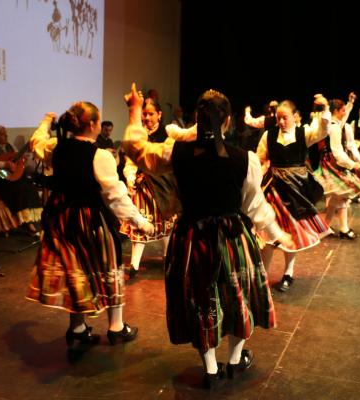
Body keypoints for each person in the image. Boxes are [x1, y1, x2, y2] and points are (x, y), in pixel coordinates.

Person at [122, 84, 293, 389]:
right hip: (232, 238)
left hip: (192, 239)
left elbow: (135, 149)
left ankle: (211, 369)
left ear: (197, 120)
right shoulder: (246, 160)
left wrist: (135, 111)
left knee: (203, 302)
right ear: (227, 121)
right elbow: (255, 206)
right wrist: (278, 233)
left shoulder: (177, 153)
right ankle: (236, 359)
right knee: (238, 299)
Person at [28, 102, 155, 347]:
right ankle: (116, 327)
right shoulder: (100, 156)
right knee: (109, 265)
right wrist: (141, 222)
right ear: (93, 125)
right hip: (89, 222)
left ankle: (77, 327)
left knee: (75, 271)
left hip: (61, 220)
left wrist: (46, 121)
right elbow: (116, 197)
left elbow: (37, 142)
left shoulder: (57, 147)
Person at [256, 95, 332, 292]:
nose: (281, 121)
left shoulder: (303, 133)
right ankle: (263, 273)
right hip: (273, 190)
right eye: (279, 117)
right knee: (268, 233)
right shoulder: (269, 135)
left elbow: (323, 131)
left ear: (295, 116)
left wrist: (324, 109)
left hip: (296, 192)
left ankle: (288, 272)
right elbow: (260, 159)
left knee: (291, 233)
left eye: (285, 117)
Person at [120, 99, 176, 278]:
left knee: (166, 225)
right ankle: (134, 265)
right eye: (144, 114)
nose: (147, 117)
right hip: (143, 188)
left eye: (151, 114)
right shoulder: (139, 134)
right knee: (141, 224)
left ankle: (167, 258)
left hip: (164, 187)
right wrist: (130, 177)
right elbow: (130, 160)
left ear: (159, 114)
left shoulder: (169, 135)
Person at [314, 99, 360, 239]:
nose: (345, 113)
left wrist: (350, 104)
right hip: (333, 164)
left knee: (338, 196)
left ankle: (325, 227)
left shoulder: (331, 124)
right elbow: (337, 152)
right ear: (336, 111)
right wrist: (352, 164)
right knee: (342, 195)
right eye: (343, 110)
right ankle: (343, 229)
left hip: (327, 163)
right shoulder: (334, 127)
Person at [0, 124, 42, 235]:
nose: (6, 136)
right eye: (2, 134)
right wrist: (5, 164)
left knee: (28, 184)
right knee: (14, 186)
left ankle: (28, 220)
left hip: (13, 174)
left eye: (6, 133)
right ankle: (23, 221)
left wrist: (25, 159)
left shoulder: (9, 146)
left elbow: (19, 161)